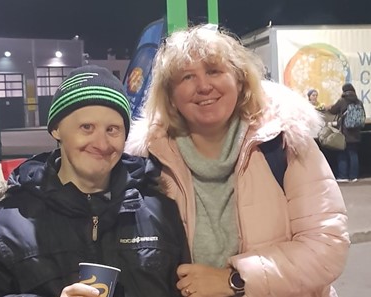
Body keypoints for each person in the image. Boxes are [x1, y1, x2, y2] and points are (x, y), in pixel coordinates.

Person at [125, 25, 349, 297]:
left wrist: (234, 281)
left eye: (214, 71)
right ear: (170, 96)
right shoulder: (149, 159)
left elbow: (326, 247)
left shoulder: (284, 141)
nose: (203, 86)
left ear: (240, 81)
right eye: (186, 77)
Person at [0, 65, 190, 297]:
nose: (101, 143)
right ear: (57, 129)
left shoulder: (159, 210)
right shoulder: (9, 222)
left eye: (113, 129)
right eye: (86, 127)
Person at [327, 82, 364, 182]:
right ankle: (354, 176)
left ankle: (343, 176)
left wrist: (329, 107)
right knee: (353, 154)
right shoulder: (359, 102)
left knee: (342, 154)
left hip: (345, 133)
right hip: (356, 133)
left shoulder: (342, 101)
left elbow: (333, 111)